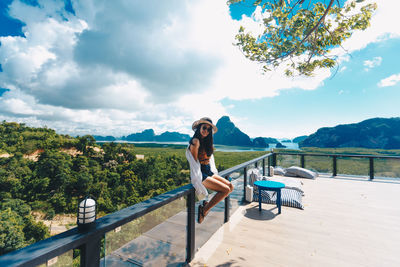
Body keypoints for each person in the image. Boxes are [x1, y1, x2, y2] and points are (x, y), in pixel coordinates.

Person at [188, 117, 234, 223]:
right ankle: (204, 210)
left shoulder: (206, 141)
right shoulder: (195, 141)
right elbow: (194, 162)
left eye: (209, 129)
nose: (206, 131)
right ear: (199, 127)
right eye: (204, 128)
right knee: (225, 190)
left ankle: (206, 206)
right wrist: (198, 178)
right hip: (201, 173)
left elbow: (209, 160)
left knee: (231, 186)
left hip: (208, 171)